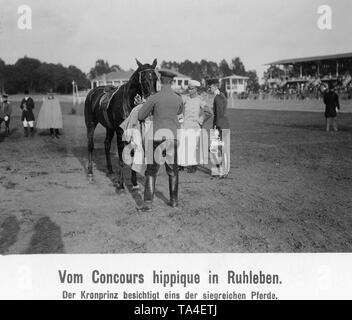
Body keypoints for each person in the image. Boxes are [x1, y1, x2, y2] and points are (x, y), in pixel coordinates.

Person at [137, 69, 183, 212]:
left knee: (151, 171)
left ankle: (148, 203)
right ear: (172, 81)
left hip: (157, 137)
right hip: (173, 137)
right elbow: (179, 112)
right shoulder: (178, 98)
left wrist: (147, 106)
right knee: (173, 171)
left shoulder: (154, 97)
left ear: (160, 81)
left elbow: (140, 116)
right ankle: (174, 200)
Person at [178, 80, 212, 173]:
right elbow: (178, 106)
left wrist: (201, 120)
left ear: (196, 89)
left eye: (191, 88)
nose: (189, 90)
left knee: (192, 146)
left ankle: (192, 166)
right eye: (188, 88)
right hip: (184, 125)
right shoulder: (185, 98)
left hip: (194, 126)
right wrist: (180, 116)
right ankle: (180, 164)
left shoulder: (200, 100)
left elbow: (209, 112)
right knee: (182, 145)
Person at [208, 79, 230, 178]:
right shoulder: (221, 96)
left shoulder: (218, 97)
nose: (209, 88)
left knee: (217, 148)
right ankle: (221, 170)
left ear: (215, 86)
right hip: (223, 125)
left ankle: (221, 171)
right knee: (221, 149)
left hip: (219, 125)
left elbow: (219, 113)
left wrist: (216, 126)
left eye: (210, 86)